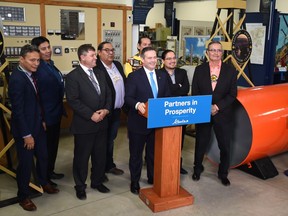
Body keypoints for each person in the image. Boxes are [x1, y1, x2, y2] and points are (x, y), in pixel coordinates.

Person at [8, 44, 59, 211]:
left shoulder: (31, 75)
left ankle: (43, 182)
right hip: (26, 131)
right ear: (21, 59)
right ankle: (23, 196)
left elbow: (36, 102)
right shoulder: (17, 79)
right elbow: (18, 111)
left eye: (38, 60)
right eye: (32, 60)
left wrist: (42, 120)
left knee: (43, 157)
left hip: (38, 126)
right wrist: (26, 135)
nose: (36, 63)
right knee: (25, 163)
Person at [65, 44, 112, 200]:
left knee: (100, 156)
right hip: (85, 125)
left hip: (102, 123)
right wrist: (91, 114)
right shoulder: (73, 76)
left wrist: (106, 110)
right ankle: (80, 186)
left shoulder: (100, 73)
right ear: (82, 57)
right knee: (81, 158)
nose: (95, 58)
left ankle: (97, 182)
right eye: (92, 55)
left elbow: (108, 94)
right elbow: (73, 100)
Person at [191, 41, 237, 186]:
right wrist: (206, 107)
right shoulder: (199, 69)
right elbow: (195, 92)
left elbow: (232, 94)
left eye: (218, 51)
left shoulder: (230, 71)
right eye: (213, 50)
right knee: (200, 144)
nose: (216, 53)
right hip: (203, 113)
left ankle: (223, 173)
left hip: (222, 114)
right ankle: (197, 169)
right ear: (208, 52)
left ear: (222, 53)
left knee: (224, 146)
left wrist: (217, 106)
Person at [125, 47, 170, 195]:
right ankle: (135, 182)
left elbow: (167, 96)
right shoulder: (134, 77)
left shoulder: (162, 76)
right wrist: (138, 105)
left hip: (157, 123)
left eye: (155, 57)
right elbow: (128, 98)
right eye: (149, 58)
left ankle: (152, 177)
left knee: (153, 154)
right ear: (143, 60)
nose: (153, 60)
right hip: (138, 123)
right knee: (136, 155)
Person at [31, 36, 65, 186]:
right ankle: (43, 179)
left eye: (48, 47)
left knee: (52, 147)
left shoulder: (50, 64)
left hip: (55, 113)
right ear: (36, 52)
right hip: (45, 116)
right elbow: (36, 97)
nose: (48, 51)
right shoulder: (37, 69)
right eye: (43, 49)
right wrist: (41, 119)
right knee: (44, 150)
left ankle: (49, 172)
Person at [95, 41, 125, 179]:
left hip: (117, 111)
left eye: (112, 50)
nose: (111, 52)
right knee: (101, 142)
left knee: (111, 140)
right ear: (99, 52)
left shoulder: (117, 65)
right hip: (105, 111)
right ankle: (99, 170)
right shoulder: (97, 68)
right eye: (107, 50)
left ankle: (109, 165)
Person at [158, 49, 190, 175]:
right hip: (165, 112)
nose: (172, 61)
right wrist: (178, 87)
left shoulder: (182, 72)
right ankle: (163, 164)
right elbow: (164, 92)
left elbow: (186, 89)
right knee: (164, 139)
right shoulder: (158, 73)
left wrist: (174, 89)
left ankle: (177, 164)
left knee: (179, 139)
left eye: (174, 58)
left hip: (180, 113)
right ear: (163, 61)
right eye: (169, 58)